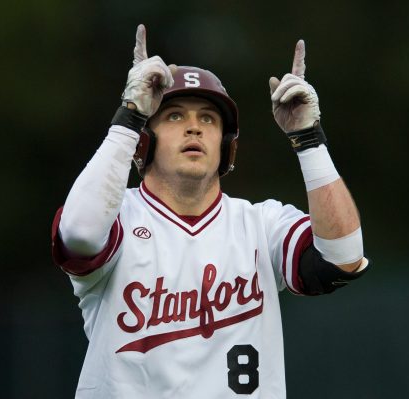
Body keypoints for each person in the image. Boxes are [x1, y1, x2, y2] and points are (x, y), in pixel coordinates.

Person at [51, 24, 370, 398]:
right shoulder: (117, 218)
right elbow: (80, 233)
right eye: (173, 116)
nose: (194, 128)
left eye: (208, 118)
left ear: (226, 146)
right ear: (144, 141)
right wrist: (130, 116)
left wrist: (310, 140)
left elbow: (344, 256)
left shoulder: (261, 223)